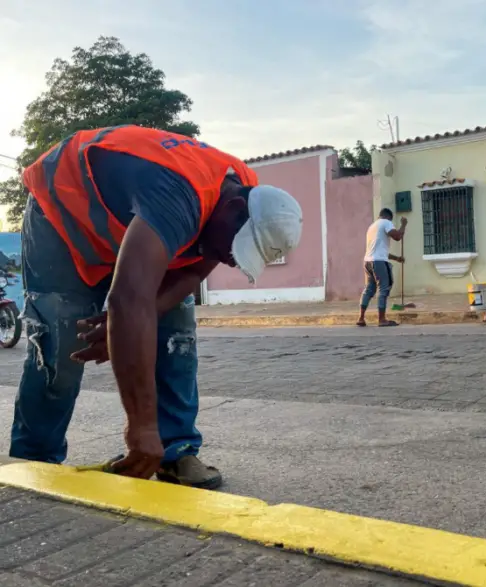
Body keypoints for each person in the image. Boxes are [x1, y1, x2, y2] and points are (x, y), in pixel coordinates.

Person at [10, 125, 302, 488]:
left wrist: (126, 326)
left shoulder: (241, 196)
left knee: (176, 335)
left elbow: (192, 273)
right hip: (63, 213)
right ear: (234, 208)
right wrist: (141, 427)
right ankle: (34, 462)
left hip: (132, 223)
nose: (228, 260)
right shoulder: (180, 195)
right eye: (234, 248)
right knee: (60, 343)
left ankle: (173, 450)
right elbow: (129, 300)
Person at [357, 208, 406, 327]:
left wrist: (397, 258)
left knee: (369, 289)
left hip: (368, 262)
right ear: (388, 217)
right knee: (384, 288)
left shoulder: (371, 227)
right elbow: (398, 236)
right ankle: (382, 319)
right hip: (379, 262)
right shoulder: (386, 222)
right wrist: (403, 225)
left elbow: (379, 251)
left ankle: (361, 318)